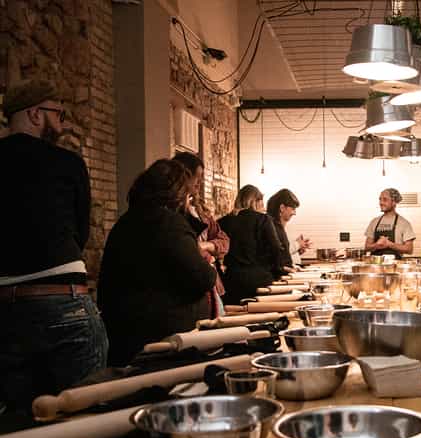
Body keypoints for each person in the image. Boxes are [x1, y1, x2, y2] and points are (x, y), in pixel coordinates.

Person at [0, 79, 108, 412]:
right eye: (58, 114)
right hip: (63, 298)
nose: (63, 123)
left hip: (6, 307)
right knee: (83, 412)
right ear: (34, 114)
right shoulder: (66, 162)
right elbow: (80, 231)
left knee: (21, 418)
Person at [98, 160, 217, 366]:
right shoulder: (169, 223)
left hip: (125, 334)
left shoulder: (125, 222)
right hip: (163, 341)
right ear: (176, 193)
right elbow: (201, 277)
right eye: (186, 194)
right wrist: (210, 267)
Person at [171, 152, 229, 318]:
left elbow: (224, 240)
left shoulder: (200, 210)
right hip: (191, 289)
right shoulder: (173, 215)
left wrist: (207, 245)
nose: (200, 182)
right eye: (197, 177)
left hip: (210, 283)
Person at [218, 185, 284, 304]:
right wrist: (277, 272)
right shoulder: (263, 219)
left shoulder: (223, 222)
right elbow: (276, 248)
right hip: (260, 279)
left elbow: (217, 252)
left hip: (232, 280)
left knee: (235, 319)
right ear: (255, 201)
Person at [364, 188, 416, 258]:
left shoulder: (404, 223)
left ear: (394, 202)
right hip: (375, 266)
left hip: (395, 266)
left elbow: (409, 249)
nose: (381, 203)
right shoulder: (374, 222)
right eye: (380, 199)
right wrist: (377, 245)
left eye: (385, 199)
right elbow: (367, 247)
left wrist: (389, 244)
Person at [266, 188, 305, 271]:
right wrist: (298, 245)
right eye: (293, 209)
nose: (294, 213)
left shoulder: (279, 226)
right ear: (282, 208)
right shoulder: (272, 227)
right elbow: (277, 257)